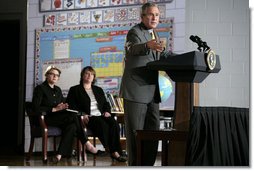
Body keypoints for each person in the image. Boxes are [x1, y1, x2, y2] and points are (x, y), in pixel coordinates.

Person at [119, 2, 174, 166]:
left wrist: (185, 58)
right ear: (142, 17)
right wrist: (146, 45)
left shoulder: (154, 34)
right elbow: (132, 49)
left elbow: (161, 55)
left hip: (152, 93)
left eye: (157, 15)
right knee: (136, 135)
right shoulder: (134, 32)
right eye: (150, 14)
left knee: (152, 133)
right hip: (136, 92)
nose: (154, 18)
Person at [32, 65, 102, 163]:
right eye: (52, 74)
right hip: (45, 118)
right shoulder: (40, 88)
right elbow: (35, 108)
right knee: (74, 116)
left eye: (57, 75)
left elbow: (61, 106)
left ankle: (59, 155)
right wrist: (54, 109)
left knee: (72, 126)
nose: (55, 76)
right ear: (46, 75)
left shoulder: (58, 89)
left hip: (58, 118)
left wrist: (63, 107)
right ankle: (86, 143)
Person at [66, 66, 127, 162]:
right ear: (82, 75)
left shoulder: (98, 89)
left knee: (114, 124)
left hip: (101, 114)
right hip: (89, 116)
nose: (89, 76)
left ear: (94, 77)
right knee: (102, 124)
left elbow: (105, 104)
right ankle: (113, 151)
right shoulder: (75, 90)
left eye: (92, 74)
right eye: (87, 73)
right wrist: (82, 114)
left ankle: (116, 150)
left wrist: (107, 111)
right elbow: (71, 106)